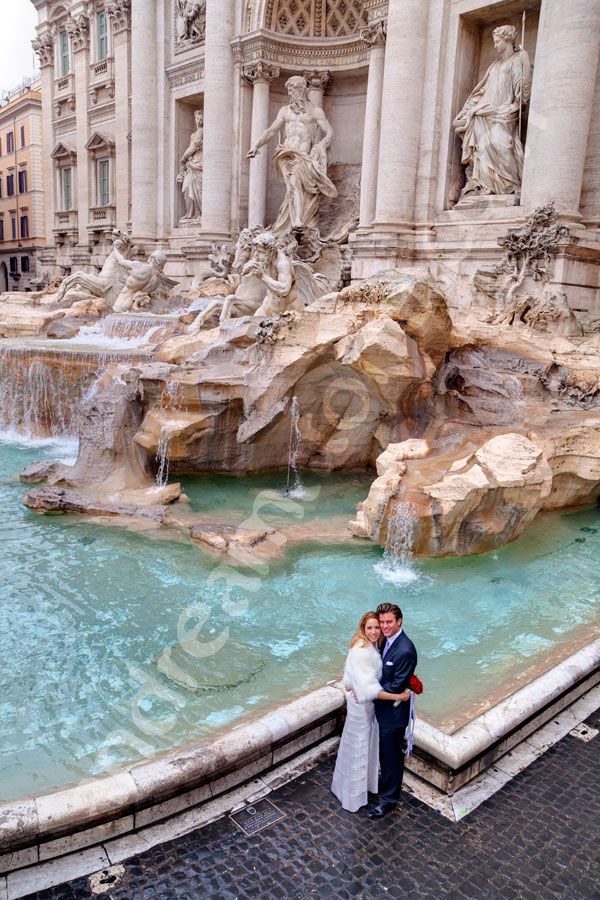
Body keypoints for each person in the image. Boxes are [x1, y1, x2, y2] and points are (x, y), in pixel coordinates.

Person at [331, 612, 410, 813]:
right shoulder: (362, 650)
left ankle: (361, 787)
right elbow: (370, 690)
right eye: (371, 628)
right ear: (363, 628)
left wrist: (351, 684)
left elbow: (349, 678)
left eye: (378, 627)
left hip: (364, 704)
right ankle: (353, 797)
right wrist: (398, 697)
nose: (375, 631)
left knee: (365, 745)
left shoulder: (370, 645)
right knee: (359, 746)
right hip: (362, 706)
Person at [247, 75, 337, 235]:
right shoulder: (284, 111)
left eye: (291, 90)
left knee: (295, 184)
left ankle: (297, 221)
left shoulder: (315, 111)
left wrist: (322, 144)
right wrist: (256, 145)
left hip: (303, 155)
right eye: (288, 91)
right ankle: (295, 220)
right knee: (292, 186)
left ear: (300, 90)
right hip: (285, 153)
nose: (289, 94)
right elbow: (271, 131)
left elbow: (329, 132)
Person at [453, 24, 532, 199]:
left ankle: (512, 184)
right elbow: (481, 91)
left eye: (498, 41)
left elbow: (523, 93)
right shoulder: (495, 65)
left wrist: (526, 65)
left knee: (502, 145)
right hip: (484, 113)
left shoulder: (517, 60)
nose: (495, 45)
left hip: (504, 112)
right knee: (483, 149)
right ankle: (485, 184)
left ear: (507, 40)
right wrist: (467, 110)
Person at [368, 602, 417, 819]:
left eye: (389, 622)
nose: (385, 626)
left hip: (394, 716)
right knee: (385, 754)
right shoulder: (384, 641)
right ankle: (384, 785)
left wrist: (368, 690)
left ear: (399, 621)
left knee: (391, 758)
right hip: (383, 711)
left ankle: (389, 801)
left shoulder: (405, 650)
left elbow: (396, 685)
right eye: (382, 622)